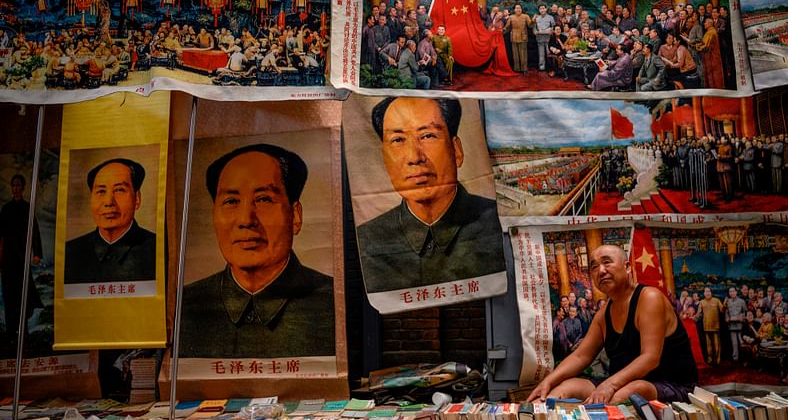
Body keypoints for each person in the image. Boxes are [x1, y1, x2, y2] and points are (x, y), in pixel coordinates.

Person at [179, 144, 335, 358]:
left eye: (263, 199)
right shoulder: (183, 306)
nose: (245, 220)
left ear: (295, 216)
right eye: (231, 201)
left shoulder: (333, 302)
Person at [356, 98, 505, 293]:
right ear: (385, 158)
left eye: (427, 136)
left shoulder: (498, 221)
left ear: (457, 150)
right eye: (398, 140)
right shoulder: (367, 239)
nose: (414, 157)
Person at [527, 245, 698, 404]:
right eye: (594, 267)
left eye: (607, 262)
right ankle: (531, 415)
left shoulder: (649, 298)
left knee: (636, 389)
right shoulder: (603, 314)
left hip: (670, 385)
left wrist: (610, 384)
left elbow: (650, 358)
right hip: (622, 384)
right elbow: (581, 356)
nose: (601, 271)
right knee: (568, 386)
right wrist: (548, 381)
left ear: (628, 267)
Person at [64, 158, 156, 284]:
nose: (108, 202)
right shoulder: (69, 252)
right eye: (101, 191)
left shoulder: (157, 248)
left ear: (137, 199)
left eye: (119, 190)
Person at [0, 174, 43, 344]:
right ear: (11, 188)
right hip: (7, 259)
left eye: (18, 185)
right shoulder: (6, 209)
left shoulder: (27, 208)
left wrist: (37, 253)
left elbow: (35, 232)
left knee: (24, 294)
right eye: (13, 185)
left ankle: (24, 330)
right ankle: (11, 331)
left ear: (23, 188)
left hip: (22, 259)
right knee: (9, 295)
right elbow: (0, 236)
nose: (16, 188)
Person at [504, 4, 533, 74]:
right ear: (514, 10)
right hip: (513, 37)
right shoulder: (511, 17)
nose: (518, 9)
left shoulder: (526, 16)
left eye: (519, 8)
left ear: (521, 9)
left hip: (523, 37)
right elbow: (507, 27)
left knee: (523, 54)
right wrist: (500, 30)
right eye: (516, 8)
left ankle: (524, 68)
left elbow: (530, 25)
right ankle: (516, 68)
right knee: (515, 54)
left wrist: (533, 20)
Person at [698, 287, 723, 365]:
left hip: (715, 326)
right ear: (704, 293)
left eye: (709, 291)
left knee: (716, 344)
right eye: (706, 291)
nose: (707, 293)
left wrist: (725, 304)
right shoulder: (701, 302)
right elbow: (698, 313)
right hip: (706, 326)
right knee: (708, 345)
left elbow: (722, 310)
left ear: (711, 292)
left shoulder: (716, 300)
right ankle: (710, 358)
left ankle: (717, 359)